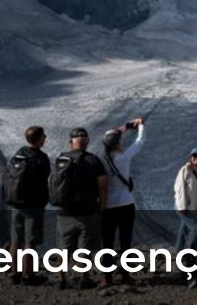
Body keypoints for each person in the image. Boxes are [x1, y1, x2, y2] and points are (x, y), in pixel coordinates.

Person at [52, 127, 107, 290]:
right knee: (85, 247)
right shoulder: (93, 160)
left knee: (64, 247)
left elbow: (51, 182)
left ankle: (61, 279)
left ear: (71, 143)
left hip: (64, 212)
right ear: (87, 142)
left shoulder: (61, 159)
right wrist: (102, 207)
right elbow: (103, 185)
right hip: (87, 211)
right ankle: (84, 279)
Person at [100, 117, 145, 287]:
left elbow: (110, 137)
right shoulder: (124, 157)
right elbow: (140, 142)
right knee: (125, 241)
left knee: (108, 242)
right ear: (118, 143)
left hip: (109, 206)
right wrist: (140, 126)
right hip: (126, 204)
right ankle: (125, 275)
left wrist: (124, 127)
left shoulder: (102, 159)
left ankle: (107, 277)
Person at [5, 125, 50, 286]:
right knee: (30, 242)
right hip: (34, 206)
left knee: (15, 240)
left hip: (16, 203)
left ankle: (14, 274)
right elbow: (46, 180)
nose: (45, 138)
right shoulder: (41, 158)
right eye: (43, 136)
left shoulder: (18, 154)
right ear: (39, 139)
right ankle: (28, 276)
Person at [173, 148, 197, 252]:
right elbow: (179, 188)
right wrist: (182, 207)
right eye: (194, 156)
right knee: (195, 228)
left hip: (192, 208)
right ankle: (189, 254)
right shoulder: (185, 170)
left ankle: (177, 253)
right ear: (191, 158)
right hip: (183, 207)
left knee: (183, 230)